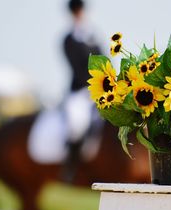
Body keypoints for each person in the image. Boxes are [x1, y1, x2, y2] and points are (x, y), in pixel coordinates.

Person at [62, 0, 102, 182]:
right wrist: (89, 85)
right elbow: (76, 67)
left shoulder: (93, 35)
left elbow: (104, 60)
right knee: (76, 124)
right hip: (79, 91)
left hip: (99, 88)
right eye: (76, 12)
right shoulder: (68, 39)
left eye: (80, 11)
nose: (79, 14)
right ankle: (71, 166)